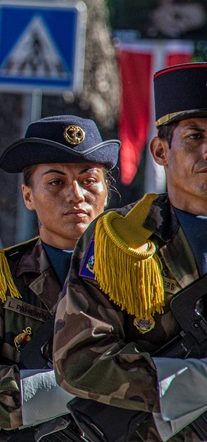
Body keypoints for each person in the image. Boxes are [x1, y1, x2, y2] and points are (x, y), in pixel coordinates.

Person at [53, 63, 207, 441]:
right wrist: (189, 382)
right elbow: (79, 359)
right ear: (160, 150)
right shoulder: (119, 240)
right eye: (193, 136)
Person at [0, 115, 118, 439]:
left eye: (89, 180)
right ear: (27, 195)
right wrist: (85, 390)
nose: (76, 195)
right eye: (56, 182)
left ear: (106, 192)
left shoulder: (143, 274)